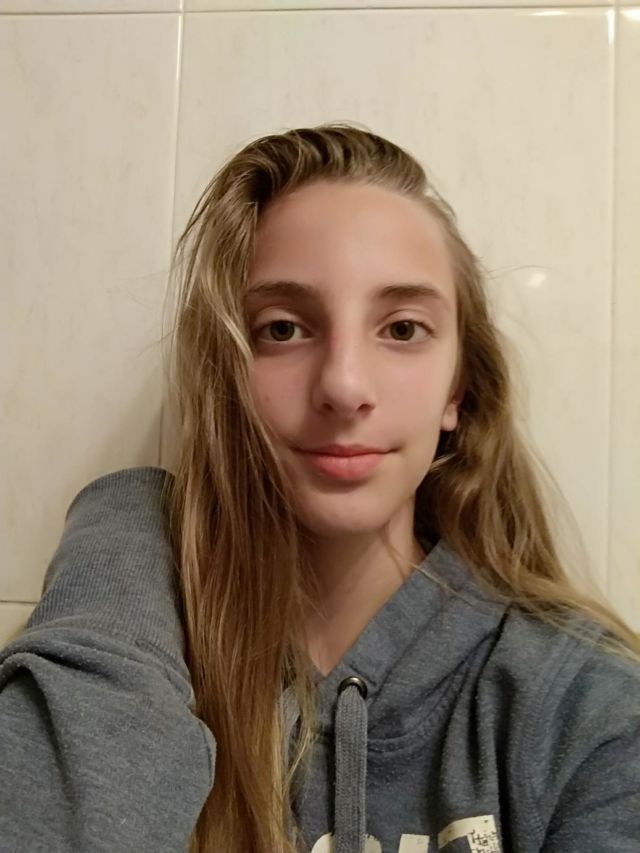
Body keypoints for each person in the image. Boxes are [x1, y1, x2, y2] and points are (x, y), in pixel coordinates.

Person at [1, 124, 639, 853]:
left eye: (403, 328)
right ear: (227, 374)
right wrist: (128, 515)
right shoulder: (142, 605)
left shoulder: (586, 710)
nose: (343, 384)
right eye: (282, 329)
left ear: (457, 389)